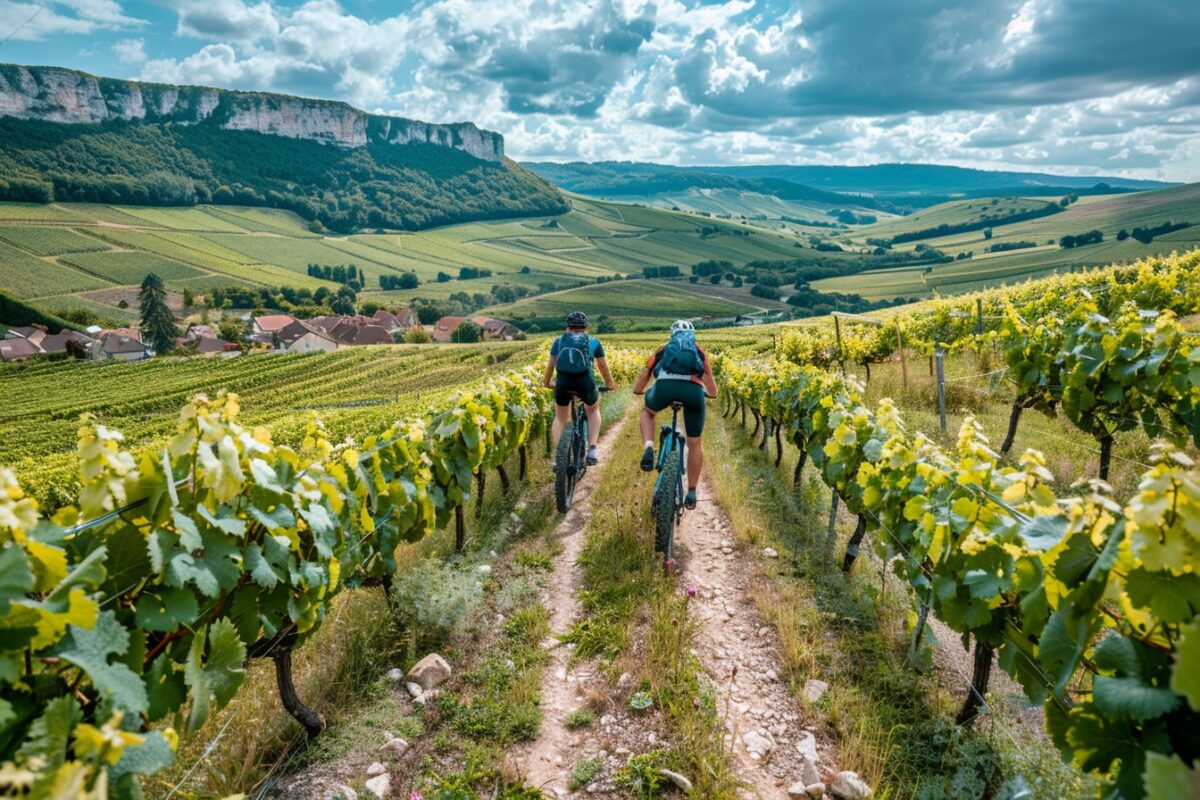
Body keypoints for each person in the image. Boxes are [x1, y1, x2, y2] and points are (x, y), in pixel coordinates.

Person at [632, 320, 718, 509]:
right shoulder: (698, 350)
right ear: (692, 334)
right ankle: (692, 492)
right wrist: (711, 393)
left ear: (672, 333)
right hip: (693, 392)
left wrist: (638, 390)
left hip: (665, 388)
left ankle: (648, 446)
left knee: (647, 412)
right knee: (694, 442)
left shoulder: (664, 348)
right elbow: (709, 380)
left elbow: (647, 371)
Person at [543, 310, 617, 466]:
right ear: (586, 328)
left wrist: (547, 383)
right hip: (585, 383)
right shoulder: (594, 342)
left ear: (567, 327)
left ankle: (558, 457)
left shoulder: (559, 341)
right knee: (593, 408)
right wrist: (610, 384)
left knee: (560, 416)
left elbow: (550, 366)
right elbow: (603, 367)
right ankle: (592, 449)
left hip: (563, 384)